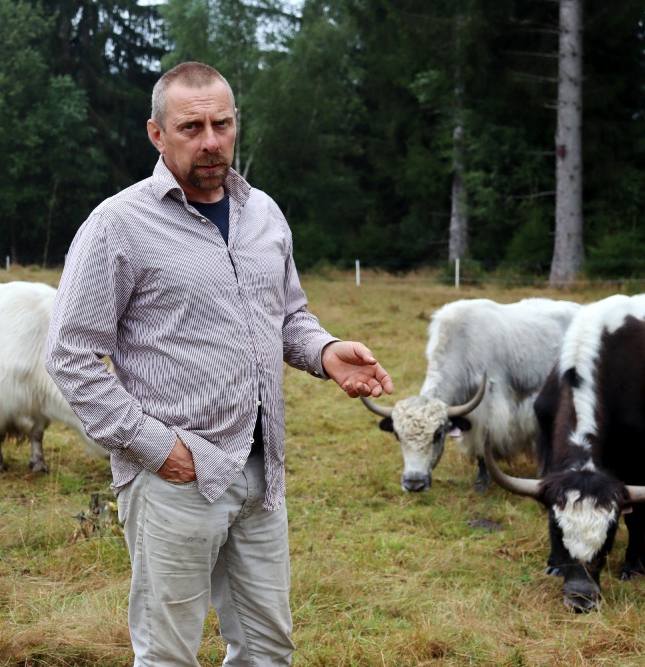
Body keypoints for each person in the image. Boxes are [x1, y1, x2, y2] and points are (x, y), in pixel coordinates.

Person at [44, 61, 393, 667]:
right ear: (157, 133)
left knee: (267, 648)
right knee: (170, 656)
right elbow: (70, 355)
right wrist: (156, 447)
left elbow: (287, 316)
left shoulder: (264, 215)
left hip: (261, 472)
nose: (210, 141)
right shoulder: (118, 225)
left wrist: (326, 352)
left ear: (236, 125)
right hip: (173, 476)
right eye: (191, 127)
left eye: (222, 124)